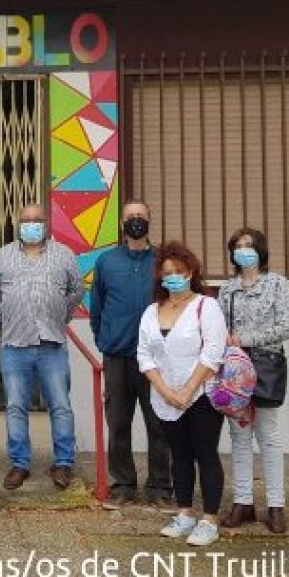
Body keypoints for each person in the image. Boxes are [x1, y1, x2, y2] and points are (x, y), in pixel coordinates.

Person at [0, 204, 84, 491]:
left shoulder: (63, 255)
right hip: (14, 344)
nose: (31, 225)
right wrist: (8, 317)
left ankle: (63, 463)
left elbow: (77, 289)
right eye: (25, 220)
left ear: (46, 223)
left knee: (61, 406)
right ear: (17, 223)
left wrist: (59, 315)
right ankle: (19, 464)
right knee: (16, 406)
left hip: (52, 343)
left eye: (37, 220)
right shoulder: (2, 256)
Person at [136, 241, 227, 547]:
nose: (173, 277)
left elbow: (213, 352)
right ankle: (185, 513)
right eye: (167, 273)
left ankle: (210, 519)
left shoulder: (206, 306)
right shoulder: (151, 311)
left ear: (191, 272)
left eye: (179, 272)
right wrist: (165, 391)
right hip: (164, 398)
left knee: (206, 454)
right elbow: (144, 356)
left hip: (201, 395)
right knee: (179, 456)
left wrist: (188, 389)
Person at [90, 200, 174, 511]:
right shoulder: (107, 262)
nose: (135, 221)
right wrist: (103, 339)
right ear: (121, 223)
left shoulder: (164, 261)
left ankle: (160, 487)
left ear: (150, 220)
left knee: (160, 425)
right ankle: (123, 485)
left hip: (157, 360)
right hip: (118, 357)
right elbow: (96, 305)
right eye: (130, 217)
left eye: (141, 216)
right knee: (119, 422)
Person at [217, 227, 289, 534]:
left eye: (249, 246)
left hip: (266, 367)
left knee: (269, 437)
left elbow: (287, 326)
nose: (243, 251)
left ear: (260, 251)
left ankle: (276, 505)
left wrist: (247, 339)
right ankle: (243, 502)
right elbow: (219, 328)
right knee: (239, 436)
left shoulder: (277, 284)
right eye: (238, 246)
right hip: (235, 371)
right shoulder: (227, 290)